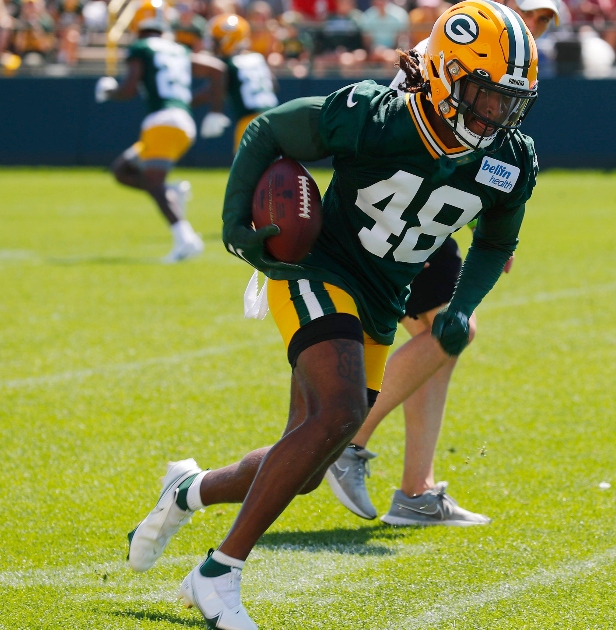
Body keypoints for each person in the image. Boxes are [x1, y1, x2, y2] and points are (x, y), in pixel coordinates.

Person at [125, 2, 539, 627]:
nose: (496, 114)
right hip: (318, 266)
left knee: (310, 464)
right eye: (484, 95)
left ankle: (189, 489)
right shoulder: (379, 116)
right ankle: (218, 573)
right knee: (343, 411)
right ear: (447, 75)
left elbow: (496, 243)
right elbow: (269, 131)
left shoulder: (510, 158)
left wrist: (462, 305)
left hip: (381, 295)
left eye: (508, 101)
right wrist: (238, 224)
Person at [323, 0, 558, 527]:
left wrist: (486, 221)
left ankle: (416, 491)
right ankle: (349, 441)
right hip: (402, 216)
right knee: (454, 330)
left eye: (543, 23)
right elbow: (442, 147)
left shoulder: (495, 63)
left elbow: (472, 158)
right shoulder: (458, 53)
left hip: (426, 216)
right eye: (534, 17)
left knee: (444, 342)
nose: (537, 31)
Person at [94, 0, 229, 263]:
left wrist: (107, 91)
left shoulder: (141, 48)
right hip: (180, 122)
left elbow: (129, 89)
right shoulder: (178, 49)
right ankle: (172, 192)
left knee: (152, 182)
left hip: (163, 123)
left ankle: (185, 238)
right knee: (122, 169)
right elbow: (217, 69)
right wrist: (215, 110)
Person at [205, 13, 279, 153]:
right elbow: (274, 86)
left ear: (228, 40)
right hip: (275, 119)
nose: (213, 45)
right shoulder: (257, 58)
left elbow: (213, 91)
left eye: (216, 41)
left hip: (249, 122)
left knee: (244, 171)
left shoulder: (228, 64)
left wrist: (187, 102)